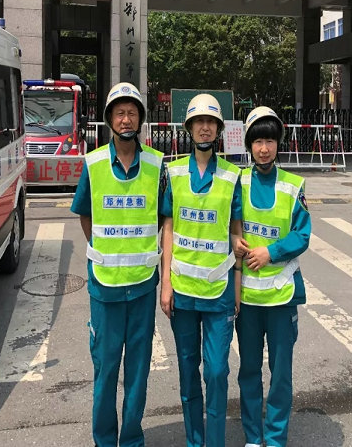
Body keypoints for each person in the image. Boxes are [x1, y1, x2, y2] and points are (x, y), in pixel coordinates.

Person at [71, 82, 166, 447]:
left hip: (142, 287)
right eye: (120, 113)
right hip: (105, 288)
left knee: (138, 373)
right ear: (110, 119)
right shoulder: (94, 163)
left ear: (140, 119)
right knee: (106, 370)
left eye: (132, 113)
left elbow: (162, 217)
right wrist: (104, 249)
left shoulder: (156, 164)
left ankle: (131, 439)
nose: (126, 120)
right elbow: (85, 215)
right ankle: (105, 440)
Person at [160, 94, 243, 447]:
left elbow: (236, 232)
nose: (205, 127)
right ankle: (195, 441)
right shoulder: (174, 172)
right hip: (182, 291)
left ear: (219, 129)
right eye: (199, 122)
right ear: (190, 128)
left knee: (217, 371)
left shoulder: (232, 175)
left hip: (219, 291)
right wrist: (165, 283)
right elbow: (168, 228)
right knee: (188, 371)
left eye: (211, 122)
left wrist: (237, 287)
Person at [234, 106, 311, 447]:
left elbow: (302, 234)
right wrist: (233, 240)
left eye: (269, 141)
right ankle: (254, 436)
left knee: (280, 374)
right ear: (248, 145)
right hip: (247, 299)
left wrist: (271, 252)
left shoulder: (293, 186)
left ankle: (276, 438)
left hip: (281, 295)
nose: (264, 149)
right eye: (257, 141)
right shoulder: (237, 182)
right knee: (249, 371)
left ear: (279, 143)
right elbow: (226, 224)